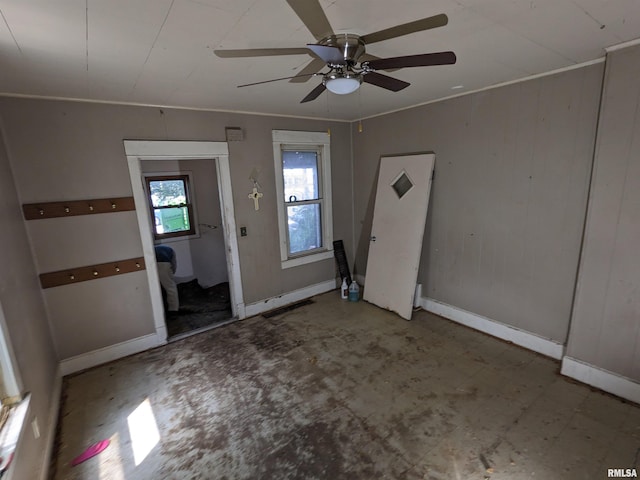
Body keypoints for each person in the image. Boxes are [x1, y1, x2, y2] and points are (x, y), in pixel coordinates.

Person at [155, 245, 179, 312]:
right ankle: (173, 310)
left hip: (151, 261)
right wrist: (172, 274)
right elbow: (174, 264)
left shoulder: (154, 248)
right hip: (164, 263)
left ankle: (159, 309)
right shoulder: (170, 250)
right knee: (170, 287)